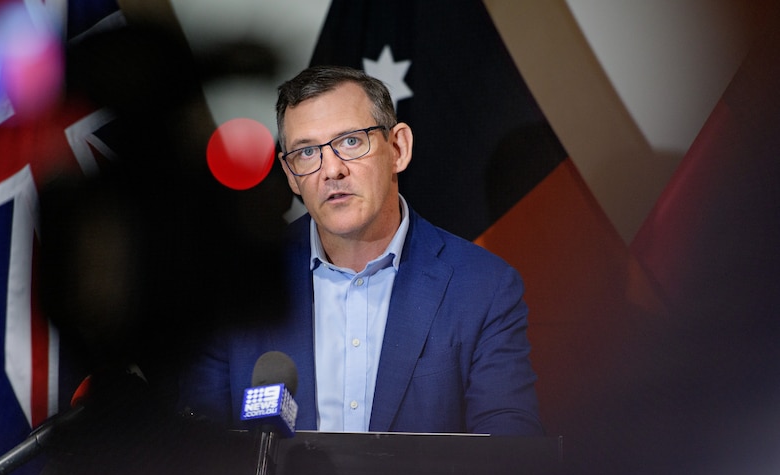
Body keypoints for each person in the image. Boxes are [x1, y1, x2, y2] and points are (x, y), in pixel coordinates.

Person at [180, 65, 543, 435]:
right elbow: (195, 447)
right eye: (307, 152)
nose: (331, 170)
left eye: (351, 141)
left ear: (398, 148)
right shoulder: (239, 282)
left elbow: (509, 452)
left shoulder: (483, 286)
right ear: (290, 175)